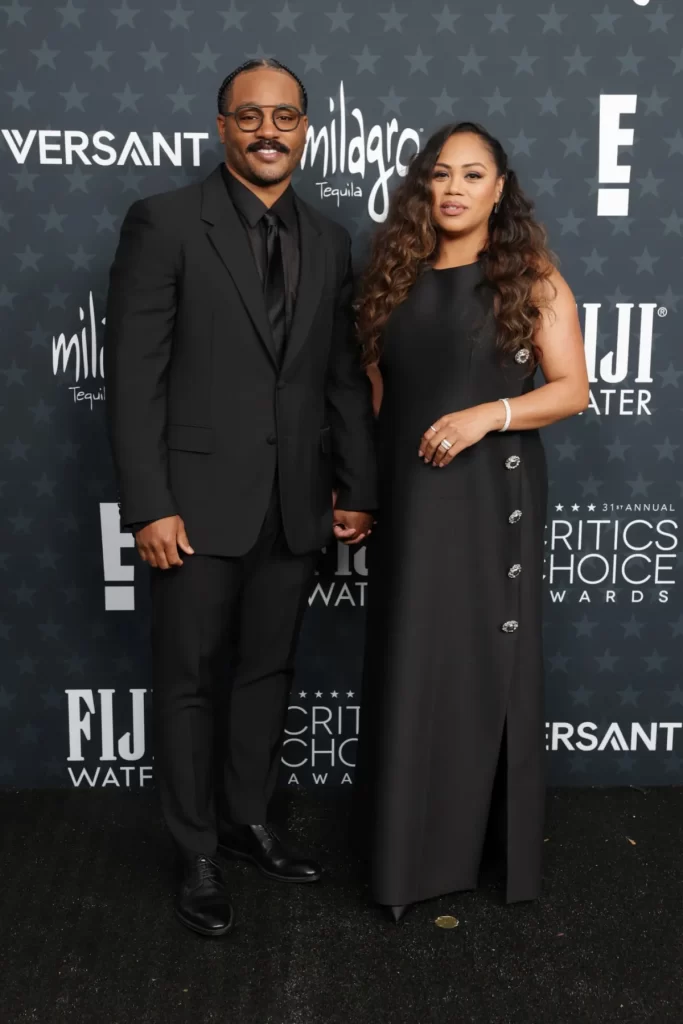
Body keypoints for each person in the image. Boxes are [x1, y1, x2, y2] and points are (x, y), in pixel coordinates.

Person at [104, 58, 377, 937]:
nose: (268, 131)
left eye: (285, 116)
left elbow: (340, 376)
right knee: (188, 681)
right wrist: (149, 505)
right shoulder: (165, 222)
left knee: (267, 671)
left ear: (306, 129)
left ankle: (247, 820)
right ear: (221, 125)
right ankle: (195, 851)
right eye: (250, 115)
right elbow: (134, 377)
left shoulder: (329, 238)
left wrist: (356, 486)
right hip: (192, 505)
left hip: (294, 503)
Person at [352, 122, 589, 923]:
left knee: (479, 660)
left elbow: (571, 390)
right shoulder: (392, 277)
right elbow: (380, 402)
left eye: (472, 174)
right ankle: (403, 857)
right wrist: (363, 492)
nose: (454, 188)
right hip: (410, 499)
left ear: (499, 188)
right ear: (423, 187)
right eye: (440, 173)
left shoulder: (530, 278)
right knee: (413, 659)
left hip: (492, 494)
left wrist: (488, 414)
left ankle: (475, 848)